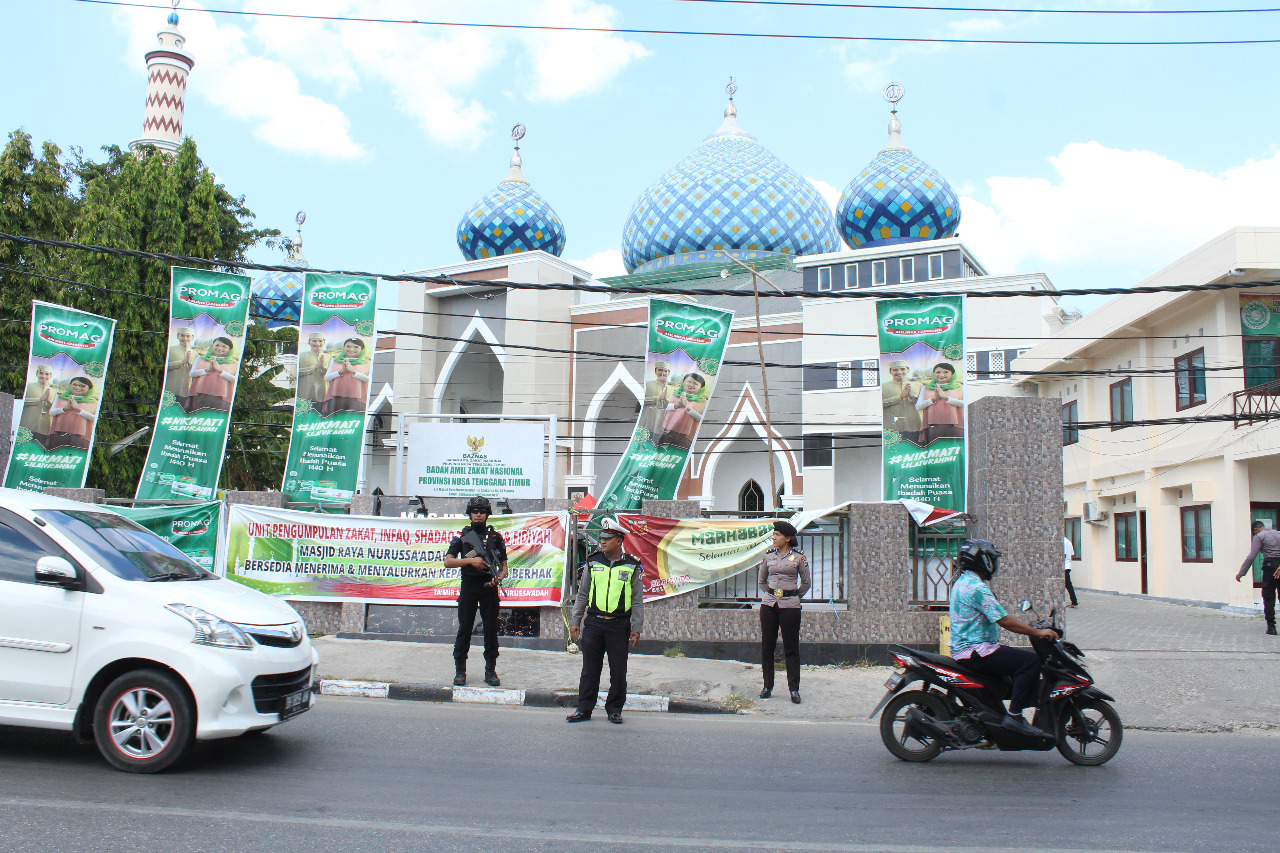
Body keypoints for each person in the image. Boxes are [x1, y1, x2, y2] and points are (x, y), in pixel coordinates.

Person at [948, 539, 1059, 737]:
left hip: (967, 650)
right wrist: (1037, 632)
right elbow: (1004, 620)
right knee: (1030, 662)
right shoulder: (977, 588)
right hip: (977, 651)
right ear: (982, 561)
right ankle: (1014, 716)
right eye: (991, 559)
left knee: (1012, 662)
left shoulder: (962, 582)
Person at [567, 518, 644, 724]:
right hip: (594, 623)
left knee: (618, 670)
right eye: (602, 538)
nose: (603, 542)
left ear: (619, 540)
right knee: (590, 669)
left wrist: (637, 627)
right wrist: (576, 620)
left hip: (619, 625)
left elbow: (637, 600)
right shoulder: (593, 562)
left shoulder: (631, 565)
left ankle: (615, 709)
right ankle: (584, 708)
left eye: (608, 538)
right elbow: (582, 594)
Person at [443, 496, 508, 686]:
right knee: (465, 629)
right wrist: (470, 561)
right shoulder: (461, 537)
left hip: (489, 587)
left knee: (490, 630)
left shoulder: (496, 538)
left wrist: (499, 577)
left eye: (482, 511)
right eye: (475, 511)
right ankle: (460, 671)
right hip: (469, 586)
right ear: (470, 514)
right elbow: (448, 561)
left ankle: (490, 670)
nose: (478, 514)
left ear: (487, 514)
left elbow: (504, 567)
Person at [757, 520, 811, 704]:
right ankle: (767, 686)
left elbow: (806, 583)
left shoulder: (798, 557)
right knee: (767, 646)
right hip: (769, 605)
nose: (774, 537)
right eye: (774, 535)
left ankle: (794, 689)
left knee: (791, 647)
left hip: (790, 606)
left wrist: (793, 595)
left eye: (778, 535)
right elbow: (762, 580)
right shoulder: (769, 556)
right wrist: (772, 594)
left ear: (787, 538)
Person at [1236, 520, 1280, 635]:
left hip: (1270, 566)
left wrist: (1242, 572)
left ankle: (1271, 626)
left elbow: (1252, 556)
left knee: (1268, 596)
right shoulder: (1278, 533)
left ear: (1256, 529)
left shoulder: (1259, 537)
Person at [915, 362, 964, 443]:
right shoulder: (926, 388)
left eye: (946, 372)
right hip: (934, 426)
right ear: (933, 374)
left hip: (956, 426)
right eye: (938, 372)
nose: (941, 375)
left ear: (952, 374)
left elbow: (964, 404)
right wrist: (933, 399)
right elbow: (918, 407)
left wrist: (945, 397)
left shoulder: (959, 387)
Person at [656, 372, 708, 450]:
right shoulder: (673, 394)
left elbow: (702, 419)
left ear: (701, 387)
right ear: (683, 382)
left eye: (695, 383)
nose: (691, 384)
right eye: (688, 381)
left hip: (685, 436)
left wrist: (688, 408)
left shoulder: (703, 401)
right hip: (665, 430)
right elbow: (660, 407)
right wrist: (676, 406)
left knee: (680, 455)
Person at [46, 377, 98, 451]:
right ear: (70, 386)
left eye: (82, 386)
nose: (77, 387)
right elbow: (51, 412)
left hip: (81, 438)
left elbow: (94, 418)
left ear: (89, 388)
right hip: (59, 434)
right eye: (75, 384)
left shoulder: (93, 402)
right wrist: (65, 409)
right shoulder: (60, 397)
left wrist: (78, 409)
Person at [187, 336, 237, 412]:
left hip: (222, 398)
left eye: (224, 346)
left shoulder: (234, 363)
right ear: (212, 346)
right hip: (199, 395)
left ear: (230, 349)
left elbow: (235, 379)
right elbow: (191, 374)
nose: (220, 348)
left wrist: (219, 371)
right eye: (217, 345)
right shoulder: (200, 359)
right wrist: (207, 370)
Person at [322, 338, 370, 414]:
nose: (351, 349)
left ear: (362, 349)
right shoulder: (335, 361)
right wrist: (340, 372)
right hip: (337, 397)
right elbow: (326, 378)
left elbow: (369, 380)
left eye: (356, 347)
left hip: (357, 399)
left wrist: (353, 372)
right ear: (344, 348)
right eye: (348, 346)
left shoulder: (366, 363)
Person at [882, 359, 921, 445]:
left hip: (914, 426)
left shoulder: (918, 385)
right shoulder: (883, 387)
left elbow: (923, 404)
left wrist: (911, 396)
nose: (899, 372)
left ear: (908, 370)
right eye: (895, 369)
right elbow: (879, 405)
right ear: (890, 371)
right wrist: (900, 397)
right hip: (892, 428)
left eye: (902, 369)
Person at [20, 365, 56, 448]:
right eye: (41, 373)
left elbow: (54, 410)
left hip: (44, 429)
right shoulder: (29, 387)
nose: (44, 376)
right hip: (28, 426)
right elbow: (22, 402)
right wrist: (39, 399)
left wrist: (50, 403)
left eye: (47, 374)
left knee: (37, 450)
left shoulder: (53, 391)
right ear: (37, 374)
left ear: (50, 376)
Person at [166, 326, 197, 411]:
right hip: (170, 391)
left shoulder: (195, 354)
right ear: (178, 336)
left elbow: (197, 373)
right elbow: (164, 367)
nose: (185, 338)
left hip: (186, 393)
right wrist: (181, 362)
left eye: (188, 336)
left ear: (192, 337)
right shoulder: (170, 350)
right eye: (182, 335)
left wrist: (190, 364)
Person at [640, 360, 672, 439]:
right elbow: (639, 401)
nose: (663, 373)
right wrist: (657, 398)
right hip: (647, 421)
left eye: (665, 371)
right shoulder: (647, 384)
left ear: (668, 373)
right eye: (660, 370)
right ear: (655, 371)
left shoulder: (672, 389)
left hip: (663, 424)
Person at [297, 332, 330, 404]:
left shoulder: (329, 357)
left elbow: (332, 375)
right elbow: (296, 373)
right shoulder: (301, 356)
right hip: (305, 395)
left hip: (323, 395)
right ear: (309, 342)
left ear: (324, 342)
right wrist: (314, 368)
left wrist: (323, 368)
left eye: (320, 341)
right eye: (314, 341)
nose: (317, 344)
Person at [1063, 535, 1078, 608]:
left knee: (1068, 584)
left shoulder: (1064, 542)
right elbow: (1072, 555)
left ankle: (1074, 602)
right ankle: (1074, 602)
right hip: (1067, 565)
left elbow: (1064, 555)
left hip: (1064, 566)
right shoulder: (1068, 542)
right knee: (1068, 584)